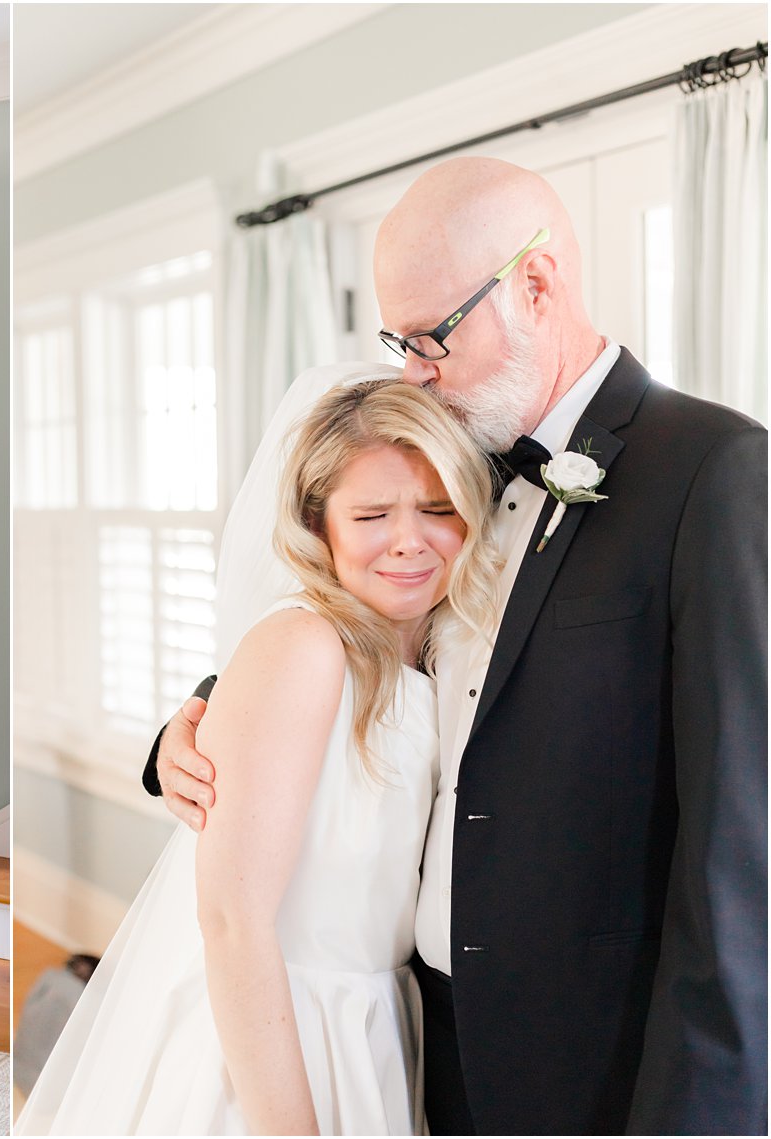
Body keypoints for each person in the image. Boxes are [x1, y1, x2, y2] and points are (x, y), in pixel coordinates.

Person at [149, 157, 768, 1134]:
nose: (412, 370)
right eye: (399, 340)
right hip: (414, 1045)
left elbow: (738, 858)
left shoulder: (712, 469)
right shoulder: (439, 469)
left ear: (534, 283)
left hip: (590, 1067)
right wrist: (190, 726)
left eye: (432, 335)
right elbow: (352, 641)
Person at [20, 379, 501, 1134]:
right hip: (275, 1037)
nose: (409, 539)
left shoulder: (449, 651)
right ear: (320, 526)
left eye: (437, 510)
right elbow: (232, 919)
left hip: (375, 1025)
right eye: (371, 515)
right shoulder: (305, 646)